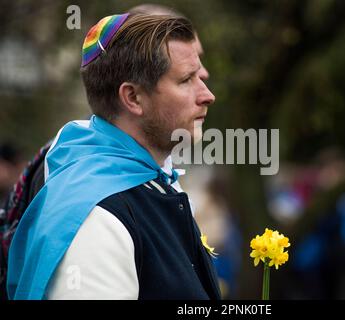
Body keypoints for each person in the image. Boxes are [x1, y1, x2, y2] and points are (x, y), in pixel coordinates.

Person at [7, 12, 219, 300]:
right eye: (186, 80)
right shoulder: (97, 215)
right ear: (132, 98)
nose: (207, 95)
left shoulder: (146, 179)